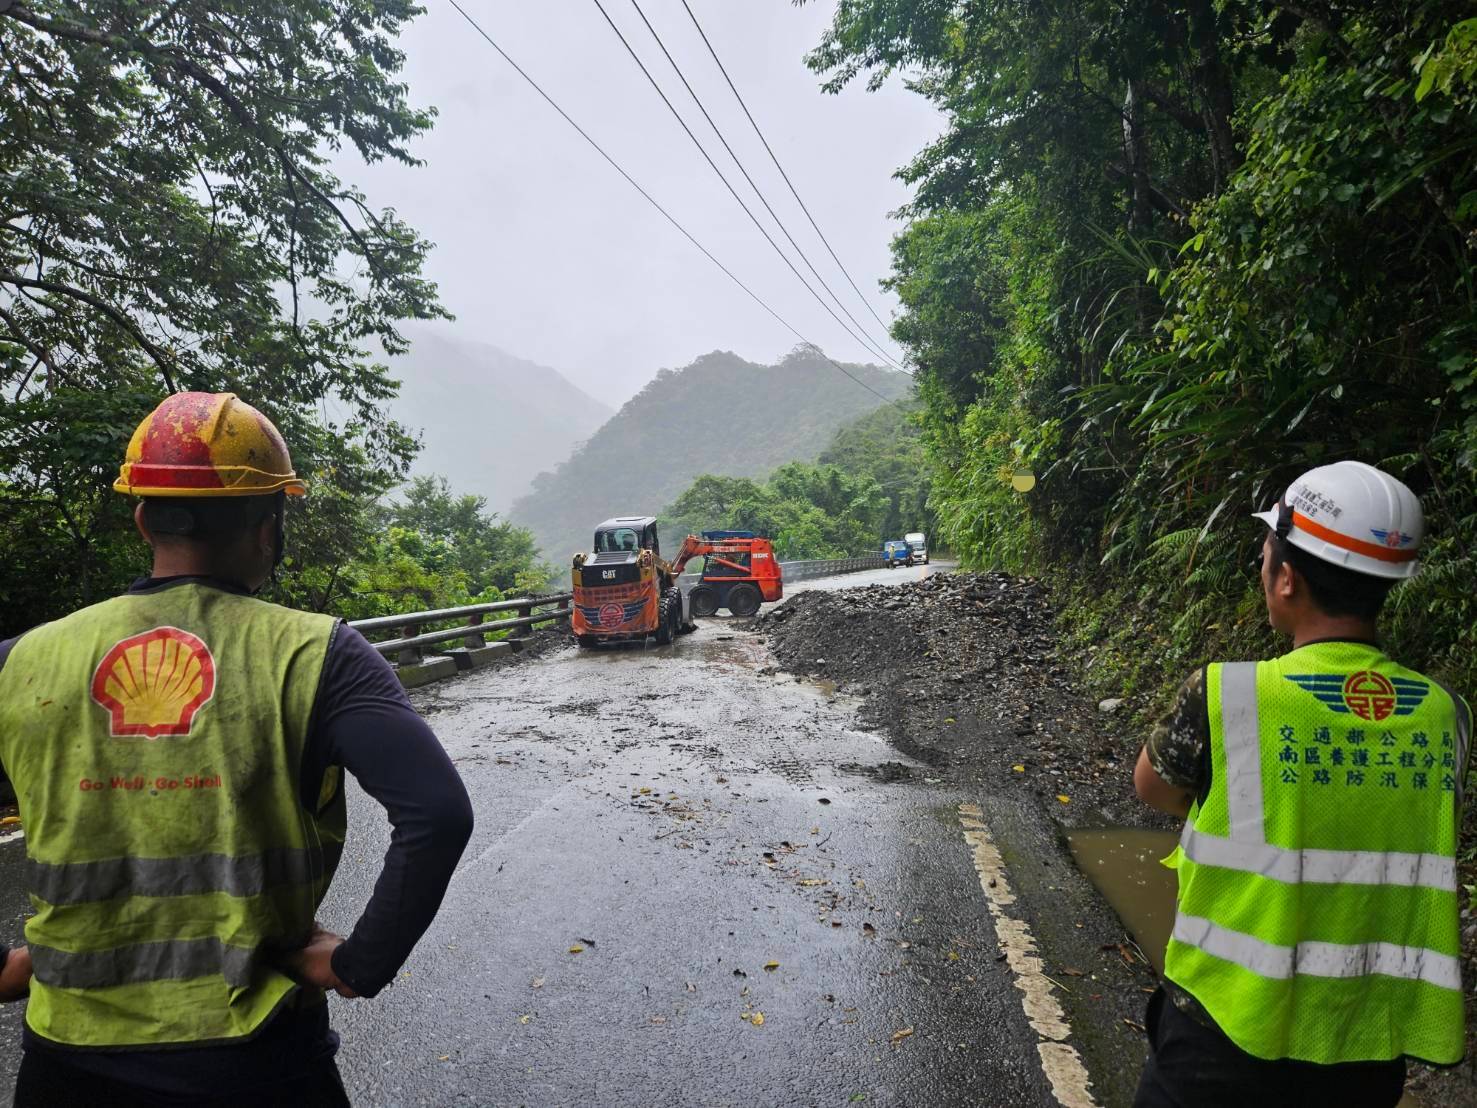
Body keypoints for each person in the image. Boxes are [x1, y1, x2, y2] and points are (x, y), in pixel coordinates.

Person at [0, 392, 474, 1106]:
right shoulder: (318, 653)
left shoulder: (22, 662)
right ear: (268, 527)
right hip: (255, 1056)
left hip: (69, 1060)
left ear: (141, 517)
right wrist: (357, 963)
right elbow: (436, 814)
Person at [1132, 460, 1471, 1107]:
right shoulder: (1444, 714)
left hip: (1222, 1026)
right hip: (1363, 1042)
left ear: (1285, 578)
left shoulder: (1228, 694)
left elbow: (1153, 788)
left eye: (1265, 555)